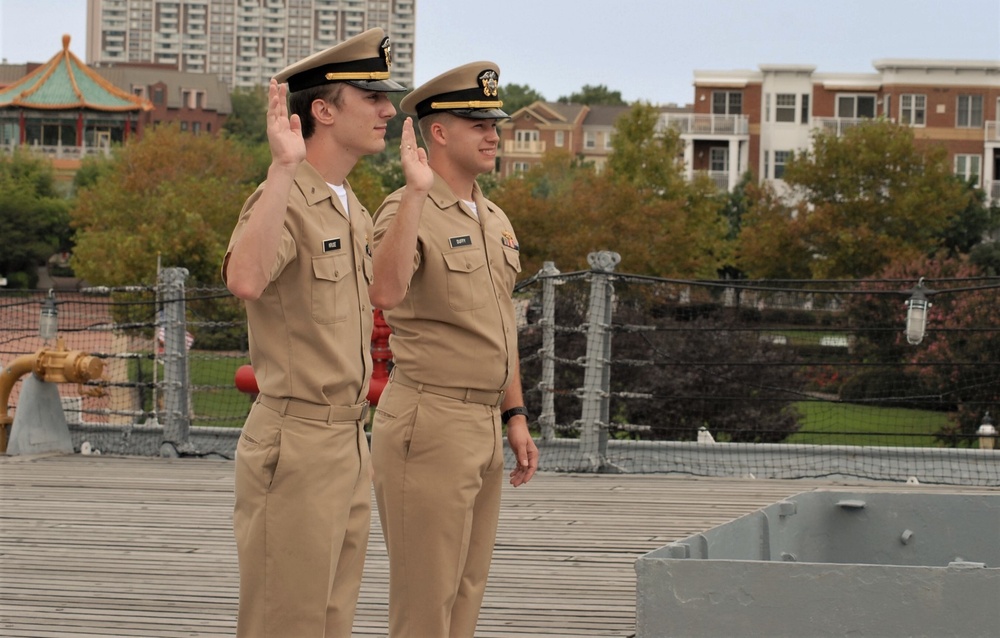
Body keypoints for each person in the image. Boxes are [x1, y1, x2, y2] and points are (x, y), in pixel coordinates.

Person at [221, 28, 405, 637]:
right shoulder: (287, 195)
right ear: (322, 111)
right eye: (371, 98)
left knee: (329, 623)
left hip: (349, 442)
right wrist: (282, 167)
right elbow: (245, 279)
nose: (388, 109)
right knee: (286, 623)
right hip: (295, 442)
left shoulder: (347, 202)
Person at [368, 61, 540, 637]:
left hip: (483, 425)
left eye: (495, 121)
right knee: (425, 602)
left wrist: (514, 414)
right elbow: (384, 292)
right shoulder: (404, 209)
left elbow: (499, 325)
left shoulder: (492, 217)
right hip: (430, 420)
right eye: (476, 122)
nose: (493, 133)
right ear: (437, 131)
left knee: (466, 593)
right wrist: (417, 193)